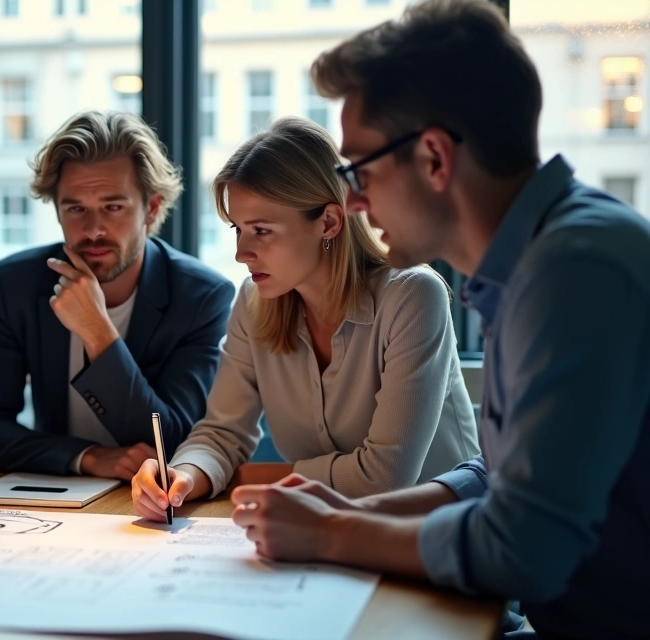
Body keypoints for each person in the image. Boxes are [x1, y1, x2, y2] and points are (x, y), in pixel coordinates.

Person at [227, 2, 650, 638]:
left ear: (433, 158)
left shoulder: (575, 271)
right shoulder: (531, 264)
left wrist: (334, 533)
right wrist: (347, 513)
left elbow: (524, 548)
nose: (354, 201)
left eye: (361, 170)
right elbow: (495, 475)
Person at [131, 117, 478, 521]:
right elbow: (222, 432)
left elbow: (385, 477)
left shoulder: (412, 295)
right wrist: (184, 476)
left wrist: (257, 477)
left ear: (329, 222)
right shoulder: (254, 301)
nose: (242, 253)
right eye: (238, 229)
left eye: (262, 230)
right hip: (323, 528)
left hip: (436, 534)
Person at [0, 110, 235, 479]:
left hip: (159, 499)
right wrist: (88, 457)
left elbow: (173, 442)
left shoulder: (201, 297)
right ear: (58, 212)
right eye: (75, 208)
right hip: (56, 493)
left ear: (151, 208)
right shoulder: (18, 283)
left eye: (113, 207)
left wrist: (97, 331)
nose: (93, 229)